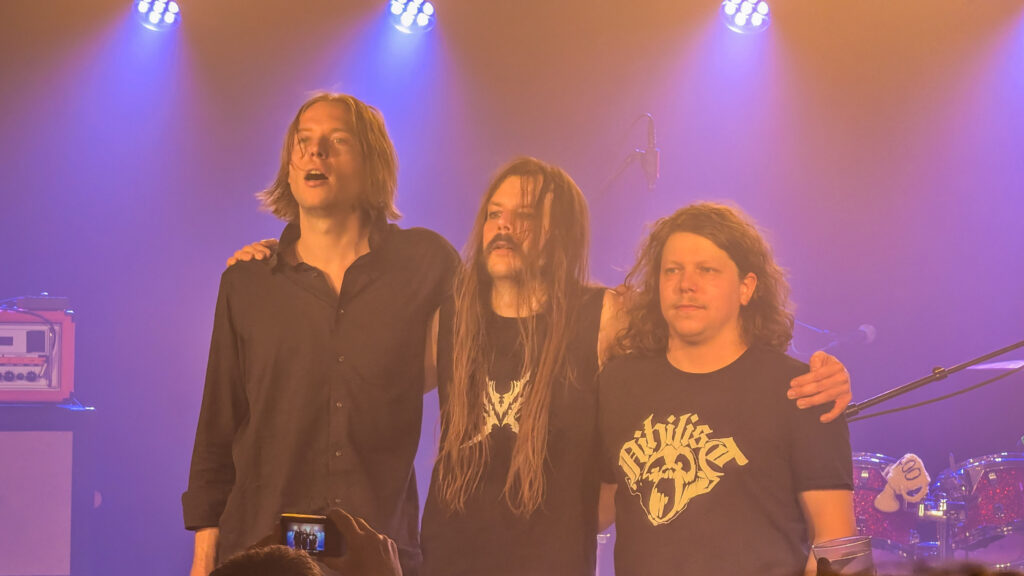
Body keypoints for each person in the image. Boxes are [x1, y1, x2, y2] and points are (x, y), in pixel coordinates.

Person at [229, 159, 855, 575]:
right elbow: (352, 375)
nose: (504, 227)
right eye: (495, 214)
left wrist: (820, 374)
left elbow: (705, 341)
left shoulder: (606, 315)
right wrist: (282, 262)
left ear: (559, 232)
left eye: (524, 216)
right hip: (448, 560)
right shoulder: (450, 315)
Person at [182, 92, 459, 576]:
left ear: (372, 164)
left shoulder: (426, 264)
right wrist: (204, 561)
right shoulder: (247, 284)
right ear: (289, 170)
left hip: (377, 553)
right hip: (262, 553)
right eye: (303, 141)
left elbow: (497, 330)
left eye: (338, 141)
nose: (315, 151)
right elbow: (217, 429)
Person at [599, 202, 856, 576]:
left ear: (746, 288)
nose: (686, 284)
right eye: (672, 270)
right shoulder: (618, 383)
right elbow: (594, 510)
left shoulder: (804, 390)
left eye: (707, 270)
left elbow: (839, 541)